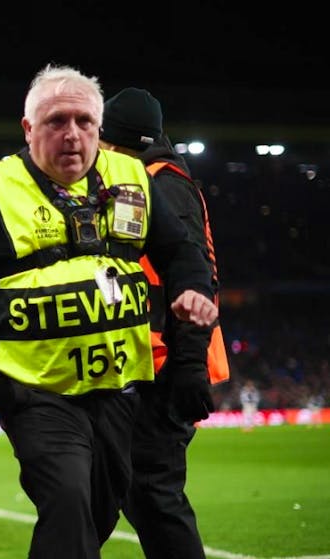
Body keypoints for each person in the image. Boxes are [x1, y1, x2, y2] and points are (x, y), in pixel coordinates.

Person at [0, 64, 218, 558]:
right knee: (67, 499)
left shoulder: (132, 179)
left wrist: (192, 290)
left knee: (96, 514)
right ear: (28, 129)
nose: (72, 135)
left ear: (100, 131)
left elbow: (181, 251)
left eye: (84, 122)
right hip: (36, 392)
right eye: (56, 121)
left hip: (118, 388)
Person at [99, 86, 230, 559]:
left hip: (166, 363)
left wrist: (189, 364)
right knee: (139, 494)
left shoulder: (163, 184)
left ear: (114, 141)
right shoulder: (150, 178)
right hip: (148, 361)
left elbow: (196, 277)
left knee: (154, 496)